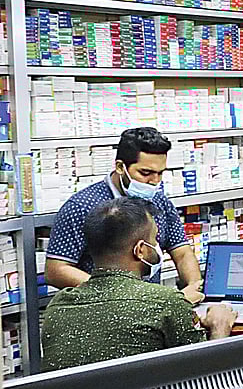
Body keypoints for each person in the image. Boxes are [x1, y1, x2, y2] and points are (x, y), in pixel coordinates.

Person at [41, 197, 237, 372]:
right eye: (155, 239)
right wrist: (220, 327)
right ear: (140, 250)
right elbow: (208, 375)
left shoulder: (58, 306)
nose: (158, 247)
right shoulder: (166, 302)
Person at [45, 127, 203, 303]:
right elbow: (56, 270)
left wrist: (193, 286)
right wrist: (121, 295)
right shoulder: (82, 206)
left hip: (153, 308)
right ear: (120, 167)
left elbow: (182, 252)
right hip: (101, 308)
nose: (155, 181)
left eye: (160, 173)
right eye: (145, 173)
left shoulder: (159, 201)